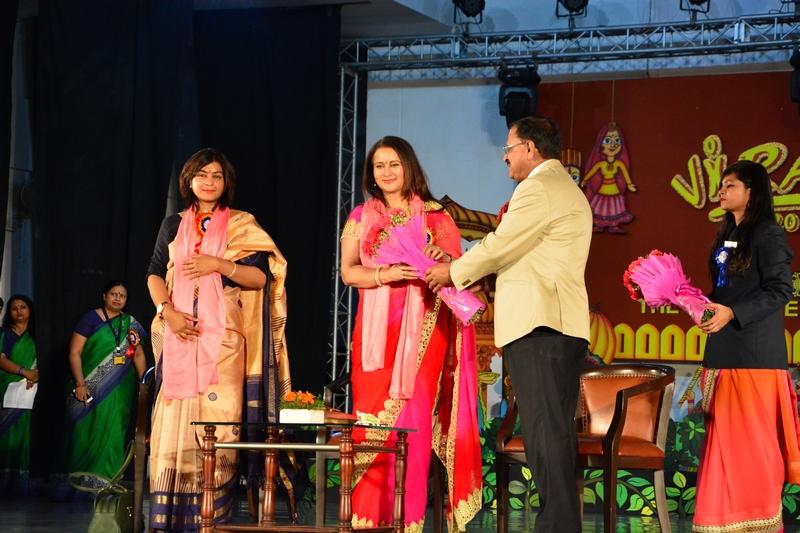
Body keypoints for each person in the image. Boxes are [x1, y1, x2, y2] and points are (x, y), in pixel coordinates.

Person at [425, 117, 592, 532]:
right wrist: (470, 268)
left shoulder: (538, 187)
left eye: (509, 148)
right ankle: (560, 525)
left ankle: (556, 527)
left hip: (540, 326)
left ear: (530, 148)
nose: (505, 157)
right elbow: (520, 252)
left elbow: (501, 244)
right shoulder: (563, 187)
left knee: (545, 433)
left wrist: (453, 273)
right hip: (557, 325)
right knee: (553, 432)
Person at [340, 136, 482, 531]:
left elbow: (459, 271)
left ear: (409, 168)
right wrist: (385, 274)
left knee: (412, 422)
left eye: (394, 165)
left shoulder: (437, 217)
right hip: (374, 339)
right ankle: (368, 521)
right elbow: (349, 272)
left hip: (424, 332)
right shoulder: (360, 217)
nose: (386, 173)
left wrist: (443, 258)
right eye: (379, 166)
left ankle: (408, 522)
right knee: (371, 424)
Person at [146, 147, 290, 531]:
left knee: (220, 425)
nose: (209, 181)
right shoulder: (172, 224)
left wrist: (219, 264)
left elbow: (260, 278)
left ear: (226, 183)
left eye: (217, 175)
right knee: (173, 425)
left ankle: (211, 521)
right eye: (202, 174)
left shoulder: (242, 224)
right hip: (179, 334)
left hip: (225, 339)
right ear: (189, 180)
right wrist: (167, 312)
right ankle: (168, 521)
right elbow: (155, 273)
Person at [694, 160, 800, 532]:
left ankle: (759, 521)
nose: (721, 191)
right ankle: (721, 522)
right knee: (726, 448)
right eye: (722, 185)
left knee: (752, 448)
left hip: (755, 359)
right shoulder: (727, 233)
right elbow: (725, 292)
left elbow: (781, 291)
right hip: (725, 355)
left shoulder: (768, 233)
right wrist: (697, 304)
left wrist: (733, 313)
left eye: (731, 185)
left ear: (751, 192)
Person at [63, 282, 146, 485]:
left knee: (115, 432)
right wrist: (80, 384)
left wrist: (144, 384)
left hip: (120, 390)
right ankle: (79, 484)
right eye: (113, 294)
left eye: (122, 296)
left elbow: (138, 355)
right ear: (104, 296)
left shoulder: (131, 323)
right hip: (87, 387)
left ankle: (108, 483)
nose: (117, 298)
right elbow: (74, 352)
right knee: (84, 434)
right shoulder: (90, 319)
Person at [0, 294, 39, 494]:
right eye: (14, 308)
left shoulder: (38, 334)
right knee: (6, 434)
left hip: (31, 390)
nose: (19, 311)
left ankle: (21, 482)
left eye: (23, 307)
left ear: (30, 310)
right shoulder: (4, 334)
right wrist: (25, 372)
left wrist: (35, 375)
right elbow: (1, 359)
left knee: (26, 433)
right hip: (7, 387)